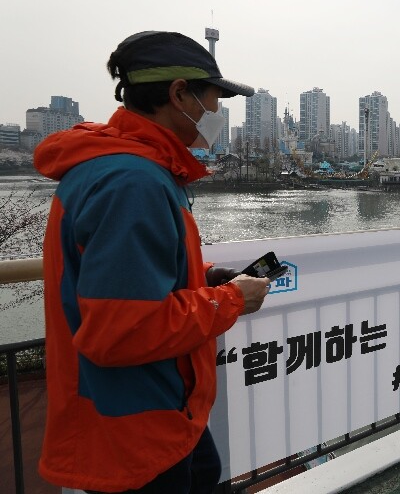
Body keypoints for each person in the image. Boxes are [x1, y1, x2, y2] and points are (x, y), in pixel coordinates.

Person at [34, 31, 272, 494]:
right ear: (179, 93)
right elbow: (122, 330)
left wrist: (200, 278)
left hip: (156, 411)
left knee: (206, 473)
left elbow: (119, 282)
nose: (218, 113)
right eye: (214, 98)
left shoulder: (125, 167)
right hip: (136, 427)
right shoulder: (132, 182)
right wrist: (229, 300)